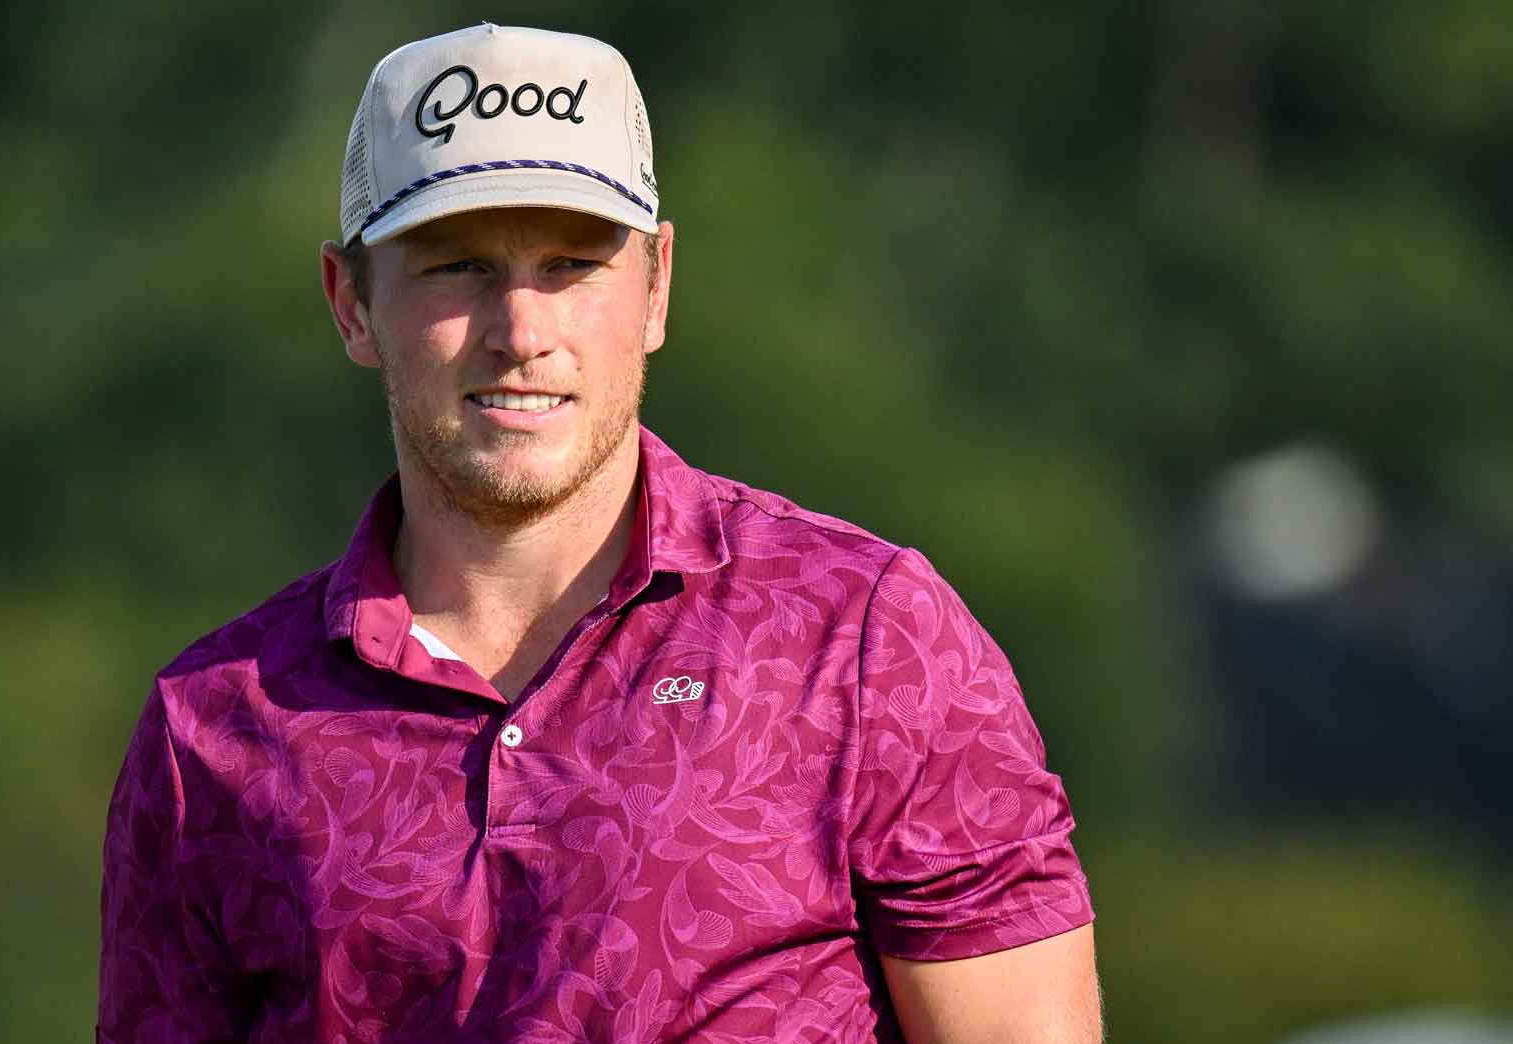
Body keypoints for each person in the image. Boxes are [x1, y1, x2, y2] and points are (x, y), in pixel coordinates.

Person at [99, 22, 1100, 1044]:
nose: (520, 330)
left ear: (657, 285)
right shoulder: (210, 727)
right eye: (456, 268)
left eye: (572, 264)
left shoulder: (862, 641)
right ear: (350, 303)